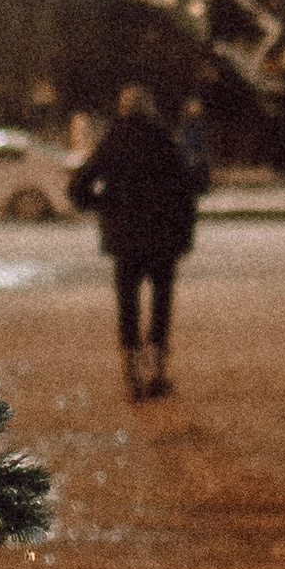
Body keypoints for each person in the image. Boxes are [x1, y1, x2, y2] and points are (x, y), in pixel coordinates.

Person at [68, 85, 199, 399]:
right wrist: (184, 234)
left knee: (128, 306)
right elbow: (186, 190)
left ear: (123, 109)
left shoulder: (114, 141)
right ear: (149, 108)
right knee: (161, 304)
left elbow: (78, 187)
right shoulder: (164, 140)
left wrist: (104, 206)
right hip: (162, 237)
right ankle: (156, 370)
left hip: (125, 240)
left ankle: (132, 374)